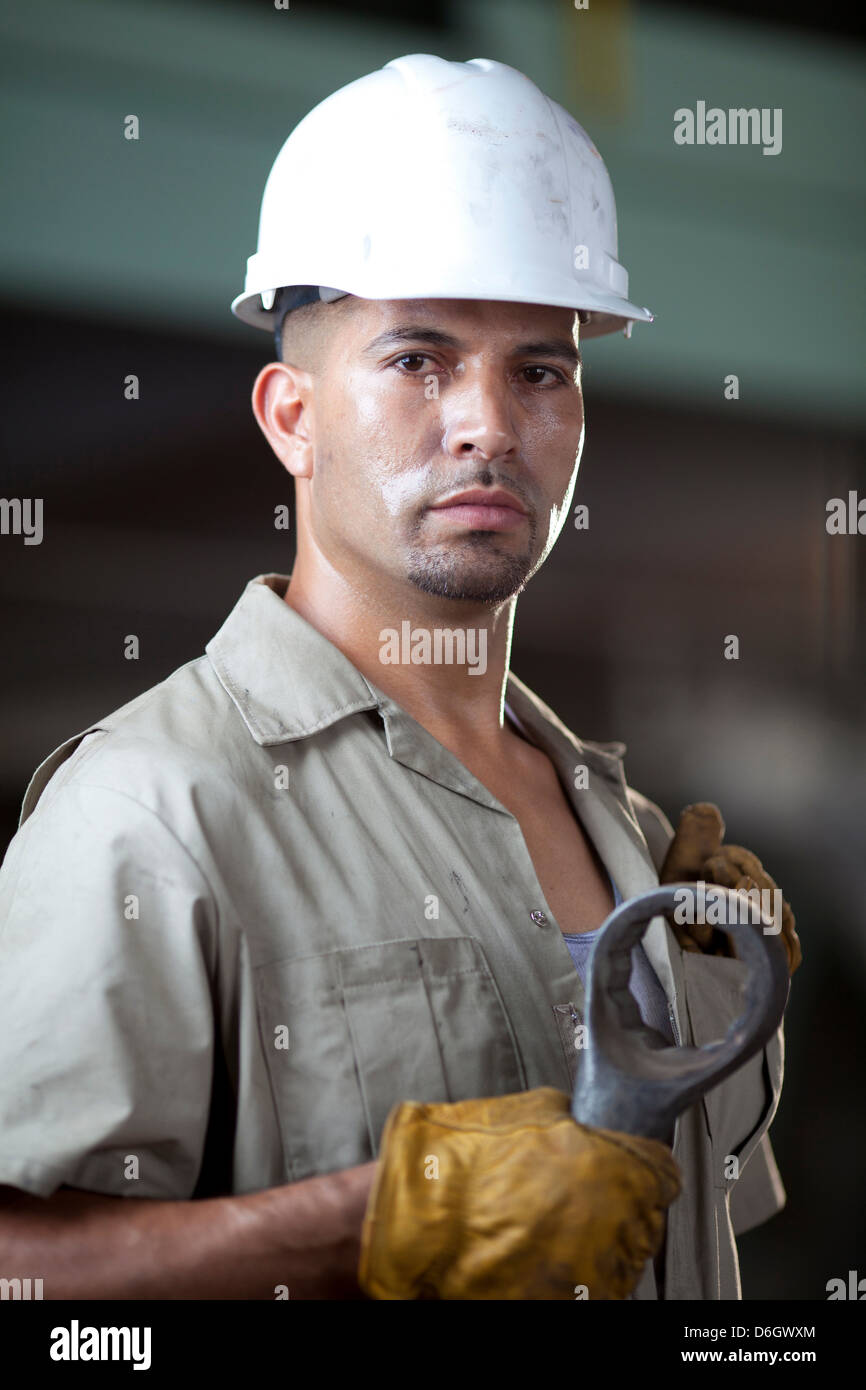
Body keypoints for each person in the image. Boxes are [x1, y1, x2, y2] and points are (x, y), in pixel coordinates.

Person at [0, 55, 800, 1301]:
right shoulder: (154, 813)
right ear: (289, 417)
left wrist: (693, 983)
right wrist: (374, 1221)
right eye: (417, 359)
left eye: (539, 370)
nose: (486, 421)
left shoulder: (634, 838)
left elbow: (697, 1228)